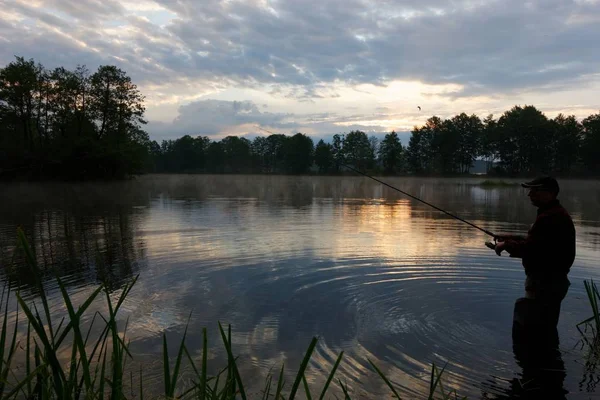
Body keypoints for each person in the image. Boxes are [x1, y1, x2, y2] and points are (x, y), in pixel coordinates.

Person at [490, 176, 576, 342]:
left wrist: (505, 245)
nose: (530, 194)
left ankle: (536, 364)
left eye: (535, 190)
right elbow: (539, 242)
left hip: (545, 284)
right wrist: (510, 237)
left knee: (533, 334)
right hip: (550, 283)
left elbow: (532, 249)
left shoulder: (550, 217)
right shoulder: (553, 214)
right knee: (543, 332)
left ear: (549, 193)